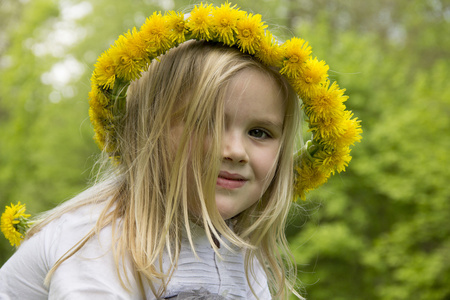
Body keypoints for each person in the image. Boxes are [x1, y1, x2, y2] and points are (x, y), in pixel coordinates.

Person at [0, 3, 362, 299]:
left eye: (259, 132)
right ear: (148, 131)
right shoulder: (96, 239)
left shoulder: (238, 250)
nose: (235, 151)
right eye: (205, 123)